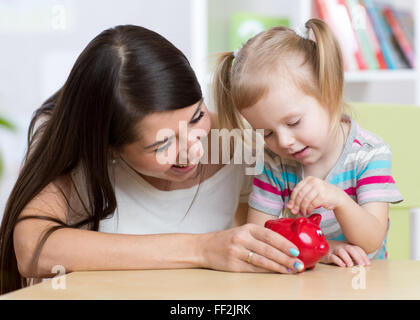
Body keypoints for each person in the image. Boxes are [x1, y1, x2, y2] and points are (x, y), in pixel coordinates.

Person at [0, 25, 304, 295]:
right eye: (163, 143)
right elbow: (32, 250)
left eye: (197, 116)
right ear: (110, 148)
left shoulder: (243, 138)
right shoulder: (75, 146)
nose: (191, 151)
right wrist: (202, 248)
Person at [213, 19, 403, 268]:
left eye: (293, 122)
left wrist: (339, 200)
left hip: (364, 282)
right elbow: (259, 238)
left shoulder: (368, 154)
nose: (284, 142)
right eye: (267, 133)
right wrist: (323, 250)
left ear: (330, 92)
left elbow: (371, 241)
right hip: (305, 280)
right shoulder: (274, 163)